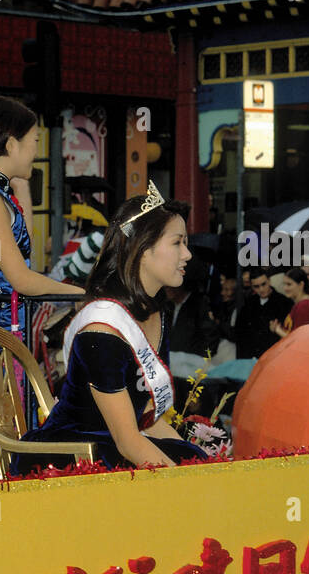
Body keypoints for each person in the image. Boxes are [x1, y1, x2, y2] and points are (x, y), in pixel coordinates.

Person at [15, 185, 205, 472]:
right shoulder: (102, 329)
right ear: (143, 249)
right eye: (178, 243)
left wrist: (203, 465)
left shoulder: (158, 312)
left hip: (115, 445)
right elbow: (127, 441)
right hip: (71, 455)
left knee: (195, 457)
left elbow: (148, 422)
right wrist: (186, 484)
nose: (187, 254)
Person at [0, 96, 84, 465]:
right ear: (11, 145)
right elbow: (22, 278)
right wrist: (86, 292)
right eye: (34, 141)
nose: (36, 151)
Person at [235, 270, 292, 357]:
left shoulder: (284, 303)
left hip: (274, 356)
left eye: (263, 284)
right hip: (250, 358)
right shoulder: (249, 303)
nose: (261, 289)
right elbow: (240, 333)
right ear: (252, 287)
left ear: (269, 281)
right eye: (256, 286)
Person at [270, 268, 309, 339]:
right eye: (284, 284)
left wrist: (277, 330)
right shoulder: (300, 304)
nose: (285, 288)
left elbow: (298, 339)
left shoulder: (304, 306)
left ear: (301, 285)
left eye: (289, 284)